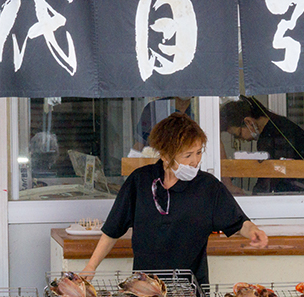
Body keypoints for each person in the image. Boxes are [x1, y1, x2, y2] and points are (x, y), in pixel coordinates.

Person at [83, 113, 267, 287]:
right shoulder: (140, 181)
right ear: (165, 155)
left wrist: (254, 231)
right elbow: (113, 229)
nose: (195, 161)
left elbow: (238, 222)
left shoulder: (208, 187)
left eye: (198, 152)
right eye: (187, 155)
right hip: (145, 290)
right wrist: (91, 267)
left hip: (191, 293)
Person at [220, 97, 304, 192]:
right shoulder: (279, 124)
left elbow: (271, 176)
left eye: (238, 134)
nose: (240, 139)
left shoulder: (271, 137)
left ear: (249, 122)